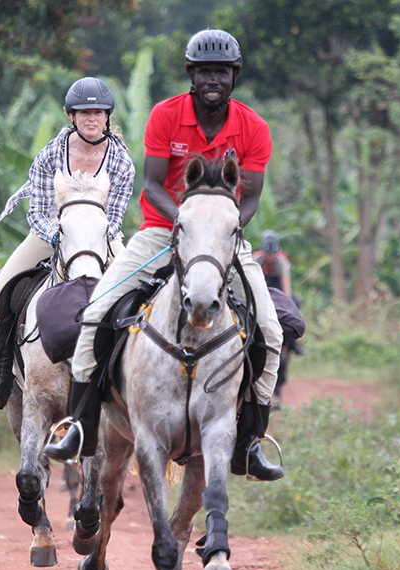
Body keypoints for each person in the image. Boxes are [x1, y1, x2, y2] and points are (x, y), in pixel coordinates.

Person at [43, 29, 285, 482]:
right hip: (160, 231)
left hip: (223, 241)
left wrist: (220, 232)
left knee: (270, 331)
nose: (213, 79)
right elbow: (153, 184)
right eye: (204, 71)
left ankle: (251, 441)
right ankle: (80, 424)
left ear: (234, 76)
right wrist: (183, 225)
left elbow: (250, 198)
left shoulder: (254, 128)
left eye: (222, 72)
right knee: (96, 312)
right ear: (192, 75)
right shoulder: (165, 115)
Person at [0, 77, 135, 408]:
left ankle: (132, 379)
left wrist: (87, 241)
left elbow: (115, 218)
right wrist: (59, 237)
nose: (92, 119)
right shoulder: (50, 154)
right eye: (84, 113)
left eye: (98, 113)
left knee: (137, 295)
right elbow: (37, 213)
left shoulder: (121, 160)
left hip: (101, 236)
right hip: (50, 234)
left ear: (108, 116)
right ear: (71, 116)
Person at [254, 230, 297, 407]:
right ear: (264, 251)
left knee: (296, 304)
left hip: (278, 292)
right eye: (268, 253)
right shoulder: (256, 259)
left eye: (273, 253)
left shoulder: (282, 261)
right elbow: (251, 284)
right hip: (261, 291)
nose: (271, 257)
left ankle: (293, 341)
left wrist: (285, 309)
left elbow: (286, 290)